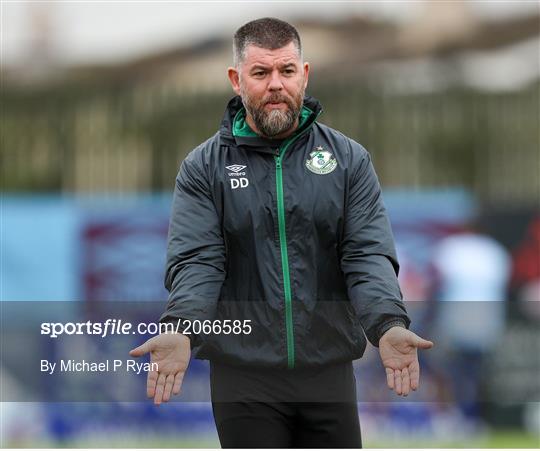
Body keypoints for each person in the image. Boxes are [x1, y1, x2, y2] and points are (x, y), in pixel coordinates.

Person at [130, 17, 433, 448]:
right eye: (261, 72)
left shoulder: (349, 160)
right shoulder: (203, 168)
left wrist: (388, 324)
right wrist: (181, 326)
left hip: (327, 370)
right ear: (236, 80)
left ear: (304, 75)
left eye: (287, 71)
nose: (276, 84)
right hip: (243, 376)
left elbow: (366, 254)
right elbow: (198, 261)